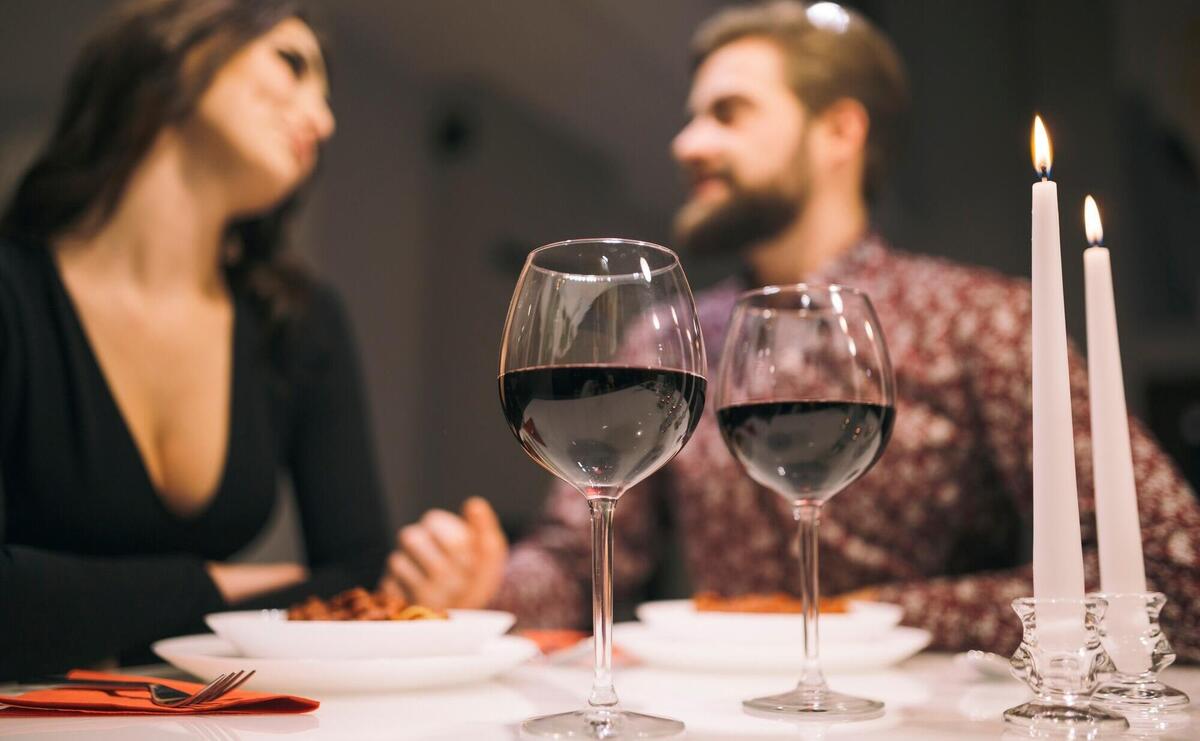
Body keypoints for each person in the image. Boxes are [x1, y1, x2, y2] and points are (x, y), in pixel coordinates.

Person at [384, 1, 1200, 659]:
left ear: (840, 131)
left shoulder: (984, 319)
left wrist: (865, 616)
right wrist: (488, 586)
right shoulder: (672, 339)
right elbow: (575, 556)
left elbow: (1170, 569)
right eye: (691, 115)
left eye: (727, 112)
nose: (687, 141)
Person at [0, 0, 505, 680]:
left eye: (326, 98)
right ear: (179, 43)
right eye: (291, 64)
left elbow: (352, 579)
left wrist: (422, 591)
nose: (323, 121)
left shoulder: (298, 321)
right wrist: (216, 586)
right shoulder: (13, 291)